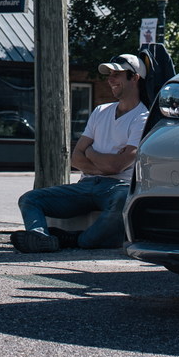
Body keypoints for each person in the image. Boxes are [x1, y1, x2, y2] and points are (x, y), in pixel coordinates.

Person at [10, 52, 150, 253]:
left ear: (135, 77)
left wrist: (91, 152)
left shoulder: (143, 118)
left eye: (116, 74)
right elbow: (76, 158)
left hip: (119, 187)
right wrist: (104, 165)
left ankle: (77, 239)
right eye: (109, 74)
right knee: (30, 199)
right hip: (87, 184)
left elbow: (117, 166)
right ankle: (40, 236)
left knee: (123, 203)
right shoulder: (100, 111)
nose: (110, 79)